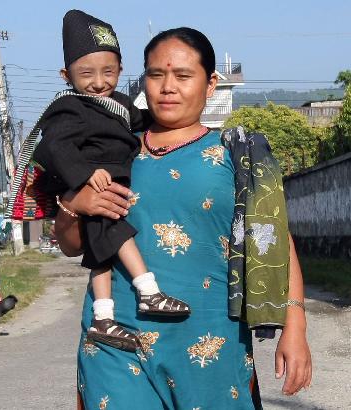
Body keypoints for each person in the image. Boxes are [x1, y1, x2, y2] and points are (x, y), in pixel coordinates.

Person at [55, 27, 312, 409]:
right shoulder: (107, 148)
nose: (167, 87)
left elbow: (274, 241)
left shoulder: (237, 155)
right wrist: (77, 205)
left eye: (183, 76)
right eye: (156, 75)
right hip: (115, 338)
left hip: (210, 342)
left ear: (210, 85)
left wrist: (296, 326)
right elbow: (71, 244)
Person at [32, 10, 190, 353]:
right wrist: (84, 178)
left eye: (109, 72)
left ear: (120, 69)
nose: (99, 82)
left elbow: (146, 118)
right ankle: (148, 291)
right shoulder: (69, 107)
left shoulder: (119, 103)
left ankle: (103, 319)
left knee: (101, 253)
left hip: (110, 186)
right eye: (86, 74)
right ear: (66, 74)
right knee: (116, 234)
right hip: (94, 187)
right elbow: (53, 145)